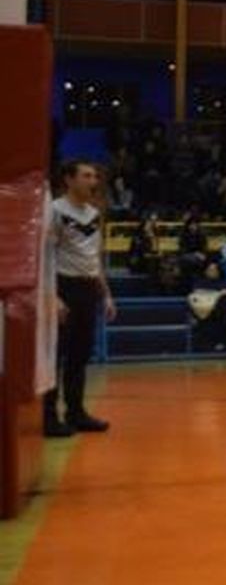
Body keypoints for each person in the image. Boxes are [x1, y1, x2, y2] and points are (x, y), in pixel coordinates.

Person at [45, 160, 115, 437]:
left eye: (95, 176)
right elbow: (47, 257)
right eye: (86, 176)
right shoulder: (54, 210)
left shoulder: (94, 214)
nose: (93, 181)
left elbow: (94, 257)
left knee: (80, 353)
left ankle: (76, 412)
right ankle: (48, 417)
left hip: (88, 289)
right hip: (63, 286)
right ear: (69, 179)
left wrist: (106, 294)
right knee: (57, 354)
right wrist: (53, 296)